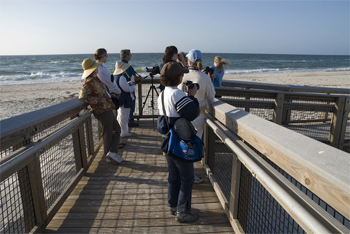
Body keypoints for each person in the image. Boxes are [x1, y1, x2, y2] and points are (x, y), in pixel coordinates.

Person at [157, 60, 200, 223]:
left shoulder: (163, 94)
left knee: (173, 176)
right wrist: (192, 96)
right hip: (180, 143)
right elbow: (192, 113)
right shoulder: (177, 94)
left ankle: (173, 206)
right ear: (179, 77)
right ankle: (183, 212)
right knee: (187, 178)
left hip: (167, 141)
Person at [179, 49, 216, 184]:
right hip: (199, 116)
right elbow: (212, 97)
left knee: (182, 144)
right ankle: (190, 174)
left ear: (188, 61)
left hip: (182, 115)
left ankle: (182, 173)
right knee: (193, 145)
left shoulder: (182, 76)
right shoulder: (205, 78)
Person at [79, 58, 123, 164]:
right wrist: (99, 100)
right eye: (96, 67)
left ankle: (111, 153)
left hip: (107, 108)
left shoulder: (95, 79)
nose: (98, 68)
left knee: (116, 129)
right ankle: (109, 155)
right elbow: (82, 97)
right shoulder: (89, 82)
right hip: (101, 110)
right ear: (93, 69)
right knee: (108, 132)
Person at [94, 48, 125, 149]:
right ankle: (111, 148)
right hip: (106, 97)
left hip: (108, 95)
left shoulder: (101, 67)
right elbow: (108, 83)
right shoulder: (100, 69)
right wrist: (118, 91)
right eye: (106, 56)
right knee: (110, 127)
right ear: (103, 56)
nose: (107, 57)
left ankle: (114, 145)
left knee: (112, 125)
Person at [113, 60, 137, 137]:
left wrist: (128, 84)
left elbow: (121, 86)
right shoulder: (122, 77)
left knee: (120, 115)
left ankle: (121, 131)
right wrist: (133, 85)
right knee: (125, 116)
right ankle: (124, 132)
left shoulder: (115, 76)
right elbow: (127, 89)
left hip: (120, 98)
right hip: (125, 99)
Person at [119, 49, 143, 127]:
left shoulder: (120, 63)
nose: (131, 56)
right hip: (128, 88)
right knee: (130, 104)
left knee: (125, 107)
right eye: (130, 54)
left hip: (123, 88)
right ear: (126, 56)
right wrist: (139, 78)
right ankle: (130, 121)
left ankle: (128, 121)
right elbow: (131, 77)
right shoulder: (126, 65)